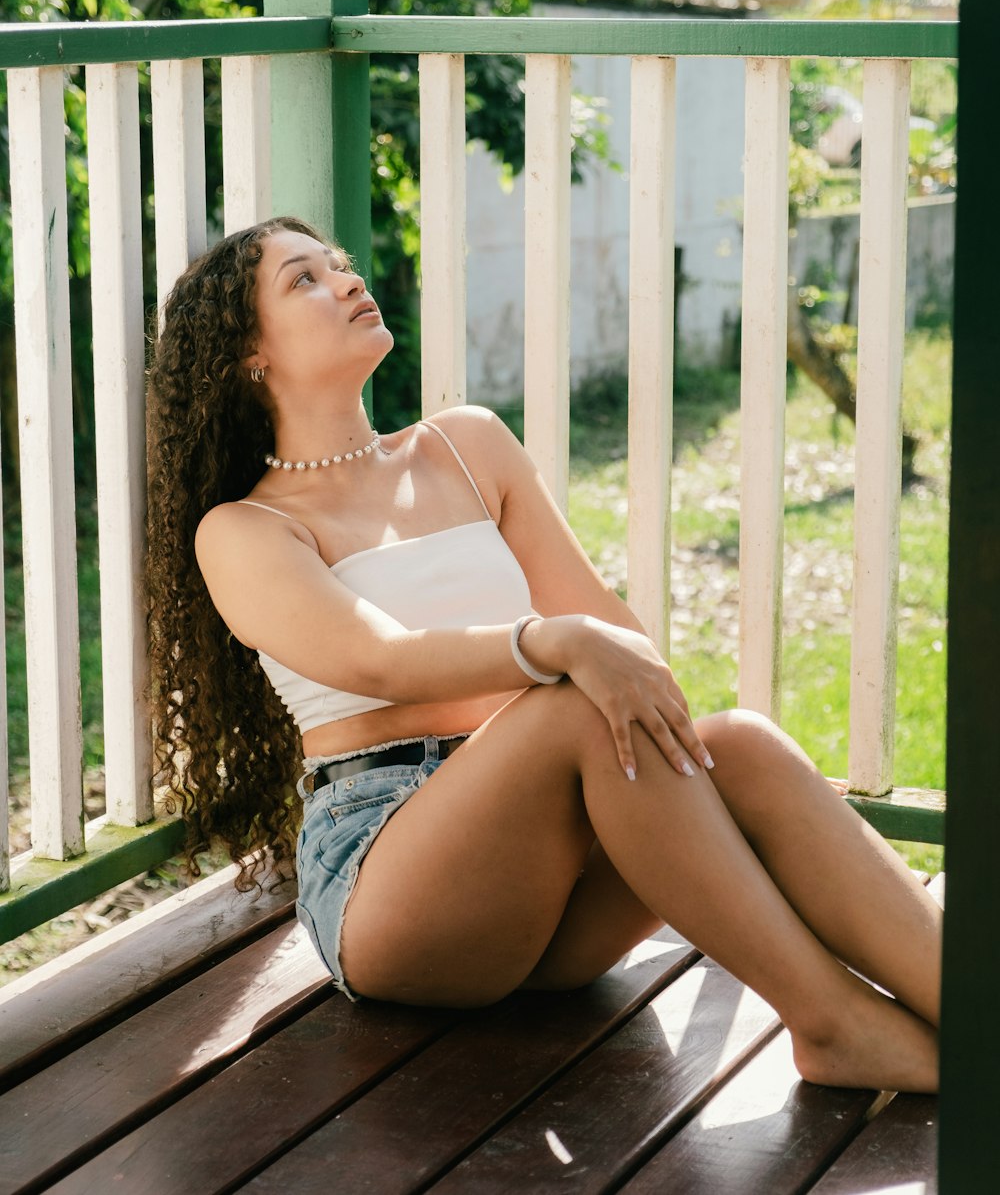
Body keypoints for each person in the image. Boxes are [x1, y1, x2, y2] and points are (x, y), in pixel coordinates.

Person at [146, 216, 941, 1095]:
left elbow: (613, 631)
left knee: (745, 745)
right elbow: (378, 660)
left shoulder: (468, 445)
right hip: (393, 884)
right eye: (303, 280)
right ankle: (831, 1023)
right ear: (248, 354)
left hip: (558, 882)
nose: (345, 280)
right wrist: (551, 642)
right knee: (567, 705)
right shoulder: (247, 529)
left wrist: (670, 742)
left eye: (338, 264)